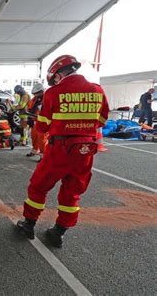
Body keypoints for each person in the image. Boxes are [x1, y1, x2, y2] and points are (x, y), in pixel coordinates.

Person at [16, 55, 109, 248]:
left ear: (58, 75)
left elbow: (42, 127)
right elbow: (102, 120)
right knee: (72, 192)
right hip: (85, 151)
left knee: (39, 186)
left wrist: (61, 126)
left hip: (60, 150)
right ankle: (59, 231)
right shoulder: (97, 90)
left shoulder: (53, 93)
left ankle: (29, 224)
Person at [25, 83, 48, 159]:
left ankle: (42, 156)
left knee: (42, 140)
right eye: (34, 94)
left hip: (42, 122)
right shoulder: (34, 99)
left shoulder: (47, 98)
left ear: (41, 91)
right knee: (34, 137)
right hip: (34, 122)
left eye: (37, 93)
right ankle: (34, 150)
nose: (35, 95)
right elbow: (29, 107)